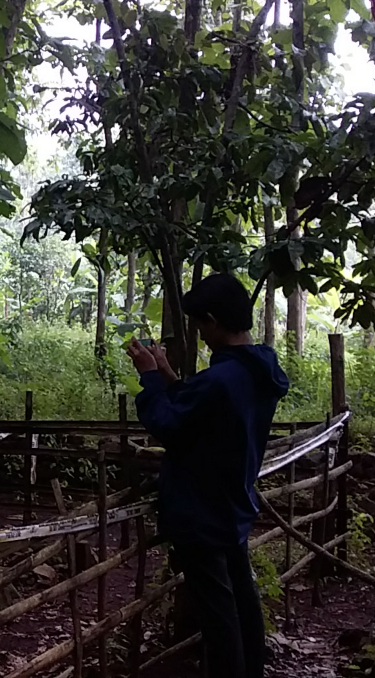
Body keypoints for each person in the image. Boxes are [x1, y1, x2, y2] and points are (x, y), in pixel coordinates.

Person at [125, 273, 289, 678]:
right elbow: (207, 411)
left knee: (218, 613)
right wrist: (168, 376)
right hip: (232, 499)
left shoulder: (222, 377)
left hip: (201, 506)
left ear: (213, 319)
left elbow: (170, 424)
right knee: (241, 598)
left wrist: (148, 378)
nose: (201, 333)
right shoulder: (258, 368)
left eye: (201, 324)